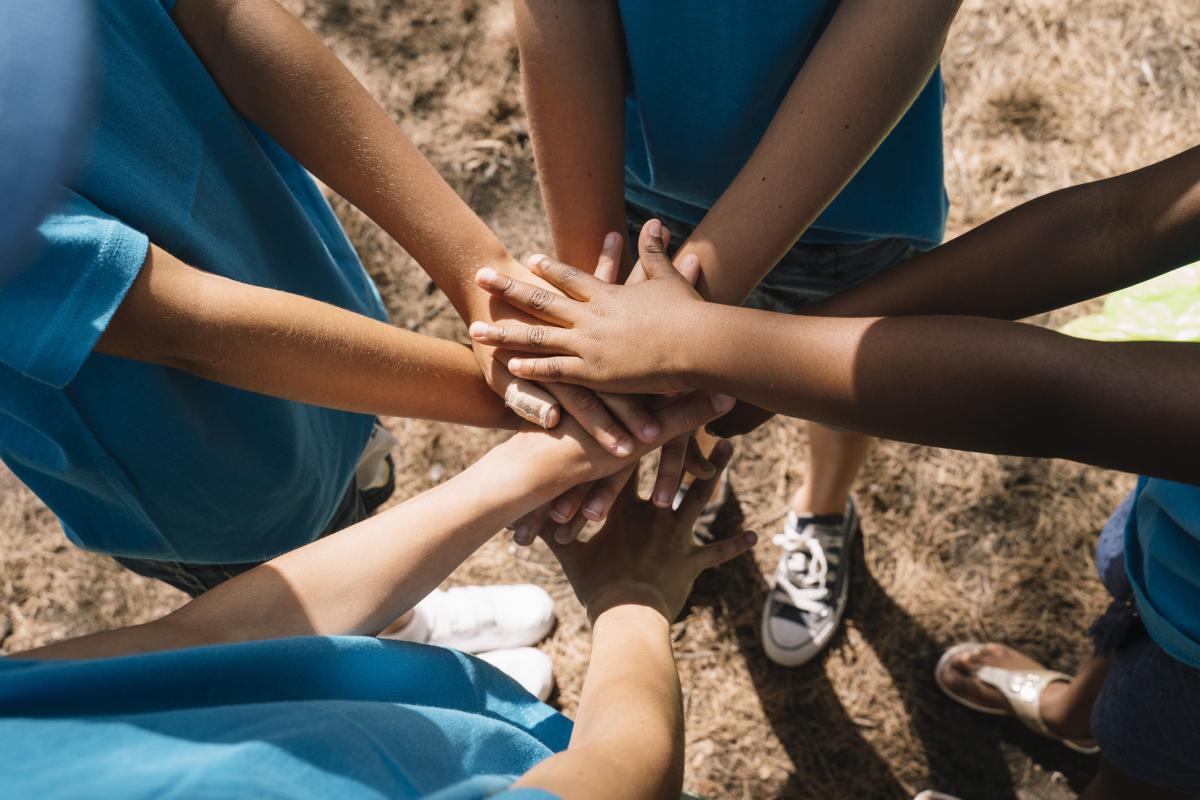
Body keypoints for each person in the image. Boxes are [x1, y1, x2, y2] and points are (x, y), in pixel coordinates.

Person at [468, 145, 1200, 798]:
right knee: (1135, 593)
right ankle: (1073, 713)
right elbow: (1111, 222)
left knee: (1147, 762)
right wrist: (745, 369)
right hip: (1177, 528)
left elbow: (1057, 399)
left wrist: (712, 349)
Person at [0, 0, 677, 670]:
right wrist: (536, 402)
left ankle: (402, 621)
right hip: (194, 460)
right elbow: (184, 324)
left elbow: (222, 16)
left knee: (357, 500)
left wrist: (482, 275)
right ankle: (382, 660)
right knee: (301, 593)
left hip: (296, 299)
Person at [0, 392, 752, 800]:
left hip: (402, 729)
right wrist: (631, 597)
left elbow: (199, 648)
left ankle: (421, 656)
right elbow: (617, 779)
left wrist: (512, 475)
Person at [512, 0, 963, 667]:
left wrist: (672, 323)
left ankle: (824, 507)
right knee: (671, 380)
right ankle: (694, 478)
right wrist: (599, 306)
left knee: (833, 379)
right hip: (643, 171)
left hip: (850, 192)